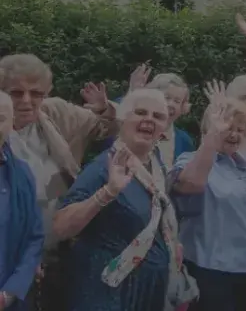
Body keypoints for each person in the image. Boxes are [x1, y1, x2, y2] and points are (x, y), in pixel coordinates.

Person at [53, 89, 199, 311]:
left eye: (158, 116)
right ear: (122, 119)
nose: (149, 119)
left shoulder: (155, 163)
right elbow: (61, 227)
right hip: (106, 293)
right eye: (140, 112)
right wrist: (108, 192)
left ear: (164, 128)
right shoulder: (103, 168)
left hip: (147, 291)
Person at [1, 54, 118, 311]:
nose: (27, 101)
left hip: (59, 246)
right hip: (11, 257)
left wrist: (103, 108)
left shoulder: (56, 113)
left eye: (36, 93)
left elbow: (108, 126)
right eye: (16, 93)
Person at [170, 99, 246, 311]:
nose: (234, 134)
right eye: (229, 128)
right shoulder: (190, 159)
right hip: (208, 266)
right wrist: (212, 138)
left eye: (240, 130)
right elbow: (189, 184)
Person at [0, 91, 44, 311]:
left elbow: (34, 237)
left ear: (11, 125)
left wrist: (11, 291)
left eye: (0, 119)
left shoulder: (23, 174)